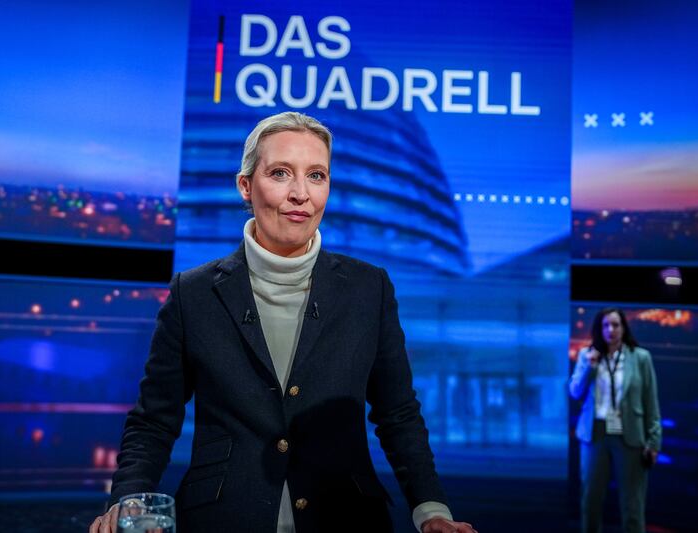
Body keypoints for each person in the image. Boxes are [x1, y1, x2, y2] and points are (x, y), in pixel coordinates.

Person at [90, 112, 475, 533]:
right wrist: (126, 503)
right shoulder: (193, 293)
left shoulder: (370, 288)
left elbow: (398, 414)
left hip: (345, 518)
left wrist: (432, 510)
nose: (300, 194)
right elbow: (154, 421)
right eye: (280, 173)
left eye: (316, 175)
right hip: (222, 520)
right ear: (245, 186)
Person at [569, 308, 662, 533]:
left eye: (616, 325)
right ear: (599, 330)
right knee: (590, 500)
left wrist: (654, 440)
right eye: (606, 326)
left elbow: (651, 401)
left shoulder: (640, 357)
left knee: (633, 503)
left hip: (629, 434)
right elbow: (574, 391)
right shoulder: (587, 355)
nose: (611, 330)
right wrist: (589, 368)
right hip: (595, 433)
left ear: (623, 328)